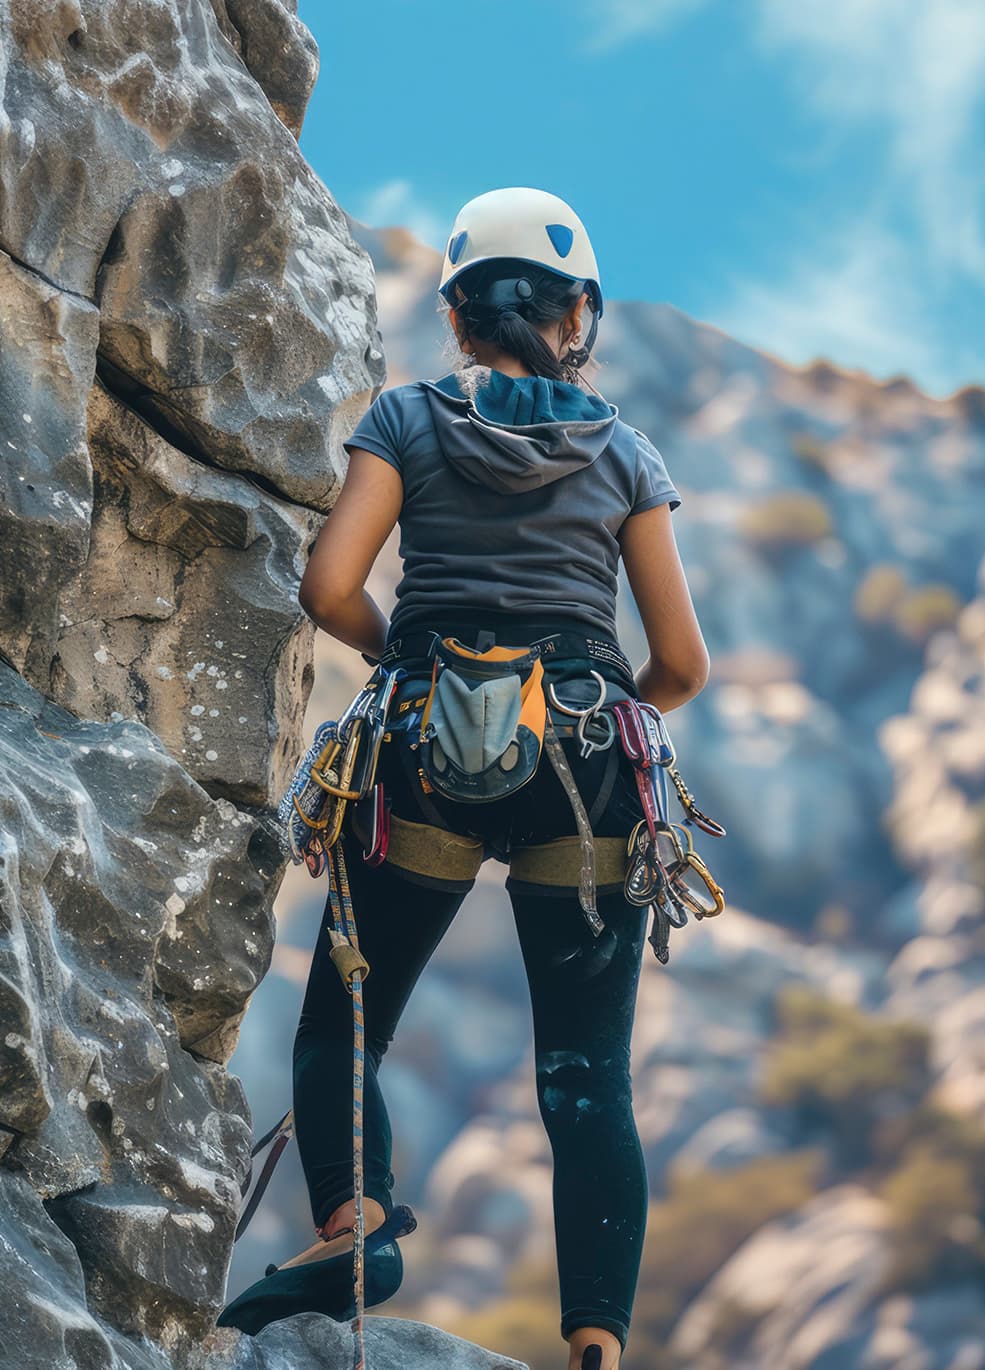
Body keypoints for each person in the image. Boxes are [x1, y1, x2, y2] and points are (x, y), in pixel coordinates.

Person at [220, 187, 710, 1370]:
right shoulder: (626, 454)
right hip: (589, 763)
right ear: (578, 314)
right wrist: (599, 700)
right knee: (587, 1074)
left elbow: (331, 584)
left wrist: (419, 662)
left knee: (344, 1020)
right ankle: (595, 1338)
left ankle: (359, 1224)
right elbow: (683, 663)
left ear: (456, 314)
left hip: (426, 751)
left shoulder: (409, 418)